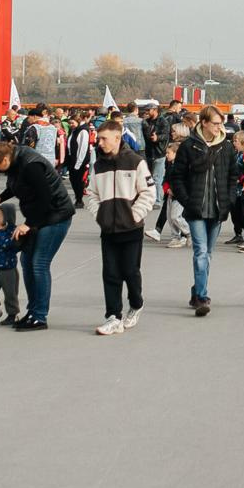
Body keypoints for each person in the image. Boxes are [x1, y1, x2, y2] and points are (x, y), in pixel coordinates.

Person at [0, 138, 74, 330]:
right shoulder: (15, 164)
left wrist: (28, 224)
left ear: (5, 158)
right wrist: (0, 197)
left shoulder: (30, 165)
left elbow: (45, 197)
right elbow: (17, 185)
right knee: (26, 262)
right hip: (39, 216)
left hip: (56, 215)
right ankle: (32, 311)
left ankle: (40, 316)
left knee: (39, 263)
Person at [86, 122, 155, 335]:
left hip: (131, 228)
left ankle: (136, 304)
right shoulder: (98, 165)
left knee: (130, 271)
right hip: (108, 229)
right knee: (110, 273)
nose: (100, 142)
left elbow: (148, 193)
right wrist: (100, 215)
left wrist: (134, 215)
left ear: (117, 138)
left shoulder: (135, 162)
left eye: (104, 138)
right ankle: (113, 316)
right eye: (99, 138)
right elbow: (90, 194)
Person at [169, 105, 238, 317]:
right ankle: (201, 296)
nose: (219, 127)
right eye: (215, 123)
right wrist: (187, 200)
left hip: (217, 208)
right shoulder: (190, 146)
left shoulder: (225, 147)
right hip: (196, 208)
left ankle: (196, 290)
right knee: (200, 251)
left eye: (221, 123)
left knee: (208, 253)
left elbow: (233, 176)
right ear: (204, 123)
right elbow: (177, 176)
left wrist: (229, 200)